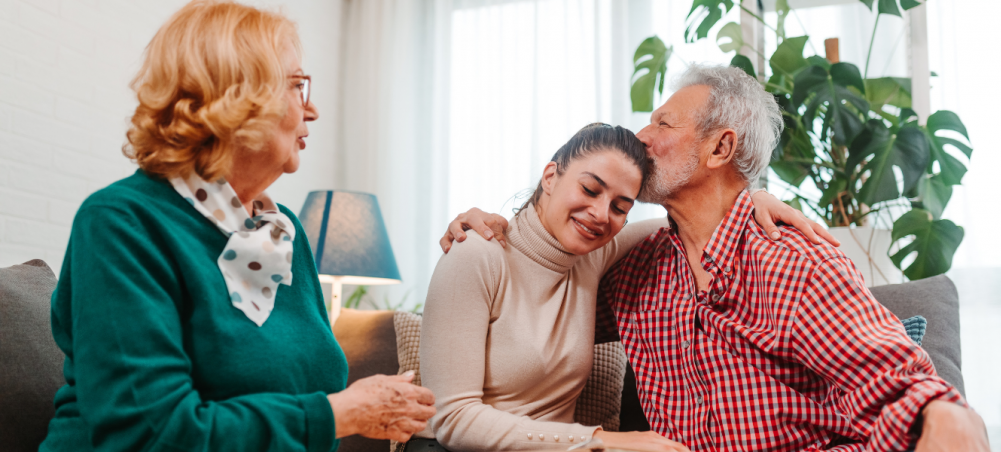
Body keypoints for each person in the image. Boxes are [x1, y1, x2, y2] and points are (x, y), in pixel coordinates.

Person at [40, 2, 434, 451]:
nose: (313, 110)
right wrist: (341, 413)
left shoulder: (283, 233)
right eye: (297, 87)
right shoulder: (122, 223)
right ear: (234, 97)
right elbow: (152, 434)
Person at [587, 65, 989, 451]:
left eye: (663, 124)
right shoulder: (636, 275)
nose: (641, 136)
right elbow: (543, 299)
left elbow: (897, 382)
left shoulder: (795, 264)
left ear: (720, 147)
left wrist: (950, 419)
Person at [423, 124, 835, 452]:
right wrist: (605, 441)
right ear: (551, 176)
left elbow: (698, 220)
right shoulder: (476, 254)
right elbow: (453, 419)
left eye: (621, 206)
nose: (601, 214)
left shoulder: (592, 255)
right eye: (589, 188)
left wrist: (755, 198)